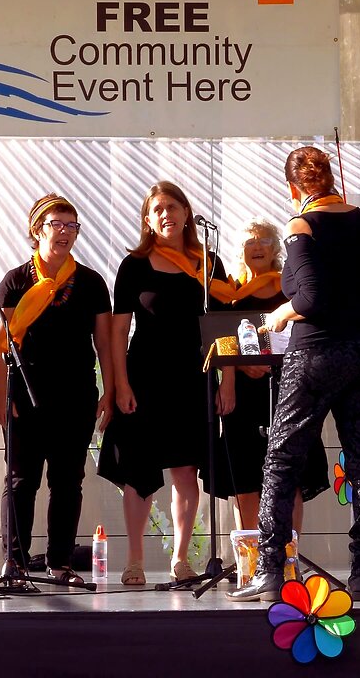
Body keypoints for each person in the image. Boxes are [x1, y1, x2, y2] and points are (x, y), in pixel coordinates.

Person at [227, 146, 360, 602]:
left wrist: (280, 314)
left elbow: (311, 299)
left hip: (316, 354)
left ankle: (271, 571)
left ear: (294, 189)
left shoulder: (301, 226)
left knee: (281, 461)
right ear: (332, 179)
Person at [97, 181, 235, 585]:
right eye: (157, 208)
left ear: (187, 212)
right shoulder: (134, 265)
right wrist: (120, 384)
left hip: (194, 377)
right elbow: (117, 333)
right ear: (147, 218)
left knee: (186, 471)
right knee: (138, 472)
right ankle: (135, 559)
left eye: (173, 206)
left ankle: (180, 558)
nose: (166, 214)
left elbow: (225, 328)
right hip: (143, 376)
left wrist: (226, 382)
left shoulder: (208, 263)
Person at [0, 194, 114, 585]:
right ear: (36, 230)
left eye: (71, 226)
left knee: (67, 481)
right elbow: (0, 348)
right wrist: (0, 398)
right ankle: (15, 563)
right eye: (56, 224)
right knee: (20, 481)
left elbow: (105, 344)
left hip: (75, 395)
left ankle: (60, 563)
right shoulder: (16, 279)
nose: (64, 232)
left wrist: (109, 390)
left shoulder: (92, 282)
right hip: (25, 396)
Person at [206, 220, 329, 532]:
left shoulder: (291, 285)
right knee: (245, 477)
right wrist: (231, 378)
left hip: (289, 387)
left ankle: (289, 556)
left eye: (263, 241)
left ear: (276, 249)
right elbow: (221, 336)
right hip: (244, 392)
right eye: (250, 242)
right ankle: (250, 560)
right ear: (241, 251)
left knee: (292, 473)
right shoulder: (231, 290)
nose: (257, 247)